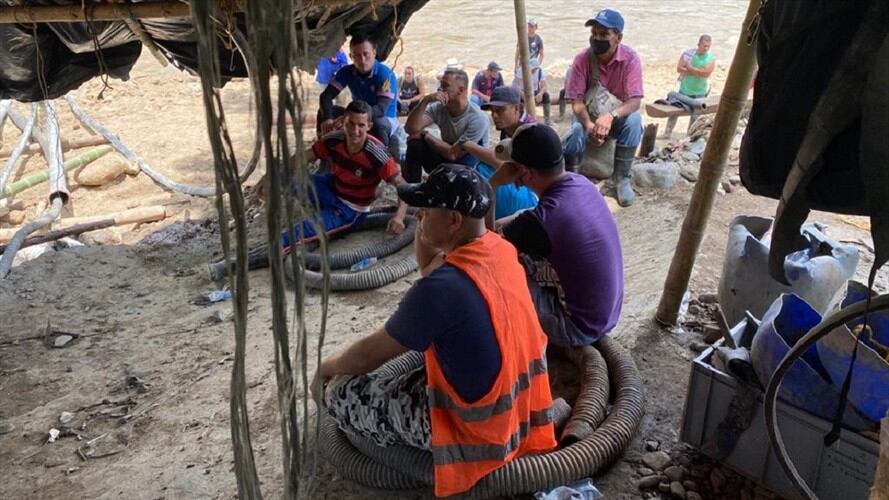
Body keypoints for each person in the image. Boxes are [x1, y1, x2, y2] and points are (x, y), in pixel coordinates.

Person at [314, 165, 557, 498]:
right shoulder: (498, 249)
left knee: (339, 390)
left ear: (454, 220)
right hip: (523, 410)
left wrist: (324, 369)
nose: (419, 217)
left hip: (478, 433)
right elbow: (429, 268)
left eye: (426, 211)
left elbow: (368, 356)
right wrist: (427, 228)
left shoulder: (442, 290)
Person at [489, 123, 624, 347]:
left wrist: (493, 184)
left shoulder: (543, 220)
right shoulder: (580, 183)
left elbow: (484, 243)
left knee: (492, 274)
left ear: (524, 173)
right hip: (605, 315)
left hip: (577, 327)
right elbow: (527, 218)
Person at [279, 100, 408, 249]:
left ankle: (269, 252)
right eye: (350, 124)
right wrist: (269, 177)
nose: (355, 131)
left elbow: (403, 186)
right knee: (283, 179)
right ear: (343, 122)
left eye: (361, 125)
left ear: (369, 126)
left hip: (350, 209)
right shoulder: (334, 139)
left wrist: (399, 217)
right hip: (332, 187)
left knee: (299, 232)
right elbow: (303, 156)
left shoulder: (377, 154)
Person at [563, 9, 644, 207]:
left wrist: (611, 116)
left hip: (615, 117)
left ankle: (621, 178)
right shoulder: (582, 59)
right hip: (588, 116)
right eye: (594, 33)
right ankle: (572, 176)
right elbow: (576, 101)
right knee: (575, 130)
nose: (597, 38)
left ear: (618, 38)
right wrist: (589, 125)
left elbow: (635, 101)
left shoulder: (630, 59)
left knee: (635, 121)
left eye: (604, 34)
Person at [458, 86, 538, 219]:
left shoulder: (528, 131)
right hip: (523, 185)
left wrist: (466, 144)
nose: (494, 115)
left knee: (481, 172)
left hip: (534, 194)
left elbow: (507, 166)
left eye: (500, 110)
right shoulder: (508, 128)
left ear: (517, 108)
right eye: (493, 111)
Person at [403, 68, 490, 183]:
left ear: (461, 90)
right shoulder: (439, 107)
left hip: (469, 170)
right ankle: (412, 188)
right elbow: (411, 129)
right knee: (414, 142)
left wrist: (426, 136)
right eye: (440, 85)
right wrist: (425, 101)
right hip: (448, 158)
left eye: (445, 86)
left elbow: (453, 154)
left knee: (421, 139)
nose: (440, 89)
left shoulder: (477, 118)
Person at [318, 34, 399, 148]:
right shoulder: (347, 72)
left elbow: (380, 109)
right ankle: (325, 147)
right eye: (357, 55)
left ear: (374, 53)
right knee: (325, 111)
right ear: (351, 56)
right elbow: (326, 96)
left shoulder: (385, 75)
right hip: (356, 114)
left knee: (378, 123)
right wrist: (328, 118)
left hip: (384, 117)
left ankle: (383, 152)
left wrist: (348, 117)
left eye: (366, 54)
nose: (362, 60)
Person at [659, 35, 716, 136]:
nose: (706, 48)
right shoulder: (688, 54)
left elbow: (706, 74)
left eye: (708, 46)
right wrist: (698, 72)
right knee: (674, 112)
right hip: (684, 90)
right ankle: (667, 133)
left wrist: (690, 69)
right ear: (699, 44)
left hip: (700, 93)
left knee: (695, 117)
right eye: (704, 46)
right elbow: (679, 69)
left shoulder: (710, 58)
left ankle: (689, 136)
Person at [512, 57, 551, 125]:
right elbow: (515, 85)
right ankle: (520, 120)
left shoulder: (540, 71)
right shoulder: (521, 70)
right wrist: (522, 94)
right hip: (522, 91)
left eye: (535, 69)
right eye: (532, 69)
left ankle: (547, 119)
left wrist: (541, 93)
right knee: (518, 101)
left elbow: (544, 86)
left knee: (546, 96)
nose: (533, 70)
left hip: (534, 91)